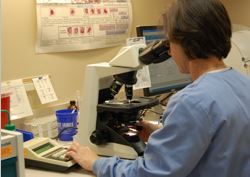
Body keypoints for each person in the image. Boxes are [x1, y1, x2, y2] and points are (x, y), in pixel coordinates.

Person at [66, 0, 250, 176]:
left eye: (170, 42)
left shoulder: (191, 101)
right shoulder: (243, 83)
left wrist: (96, 163)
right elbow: (220, 143)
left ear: (186, 42)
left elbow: (150, 173)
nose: (169, 51)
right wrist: (167, 132)